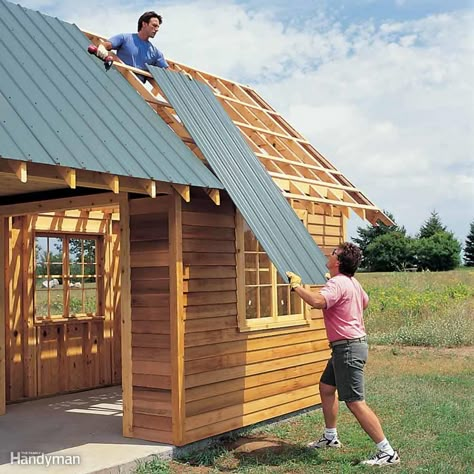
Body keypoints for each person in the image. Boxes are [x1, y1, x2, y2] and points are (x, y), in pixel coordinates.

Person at [286, 243, 400, 467]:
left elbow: (318, 302)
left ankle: (387, 452)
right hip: (346, 347)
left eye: (333, 253)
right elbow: (364, 302)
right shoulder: (351, 282)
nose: (329, 255)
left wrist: (296, 287)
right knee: (327, 388)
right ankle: (330, 437)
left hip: (347, 348)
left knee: (355, 402)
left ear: (338, 262)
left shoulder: (338, 283)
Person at [96, 11, 168, 82]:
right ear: (144, 24)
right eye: (154, 25)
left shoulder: (155, 53)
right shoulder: (125, 38)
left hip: (137, 90)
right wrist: (102, 47)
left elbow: (168, 73)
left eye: (158, 27)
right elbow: (106, 44)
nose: (157, 29)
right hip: (118, 82)